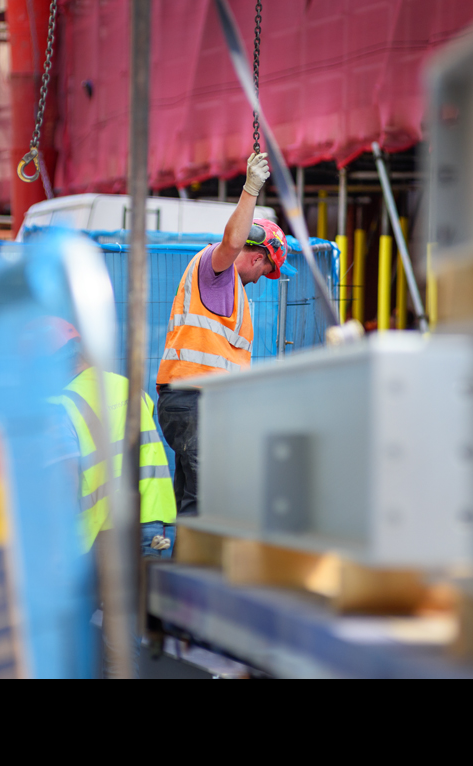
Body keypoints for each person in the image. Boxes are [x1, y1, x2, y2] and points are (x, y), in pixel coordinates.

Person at [154, 152, 288, 518]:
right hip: (193, 401)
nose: (263, 279)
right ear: (260, 258)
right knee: (210, 502)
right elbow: (231, 242)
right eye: (267, 270)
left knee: (196, 503)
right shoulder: (218, 273)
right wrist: (250, 190)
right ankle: (199, 569)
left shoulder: (232, 293)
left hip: (196, 403)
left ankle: (186, 567)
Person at [39, 317, 178, 557]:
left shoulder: (62, 406)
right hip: (157, 523)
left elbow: (65, 483)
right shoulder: (127, 386)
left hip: (109, 532)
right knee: (152, 593)